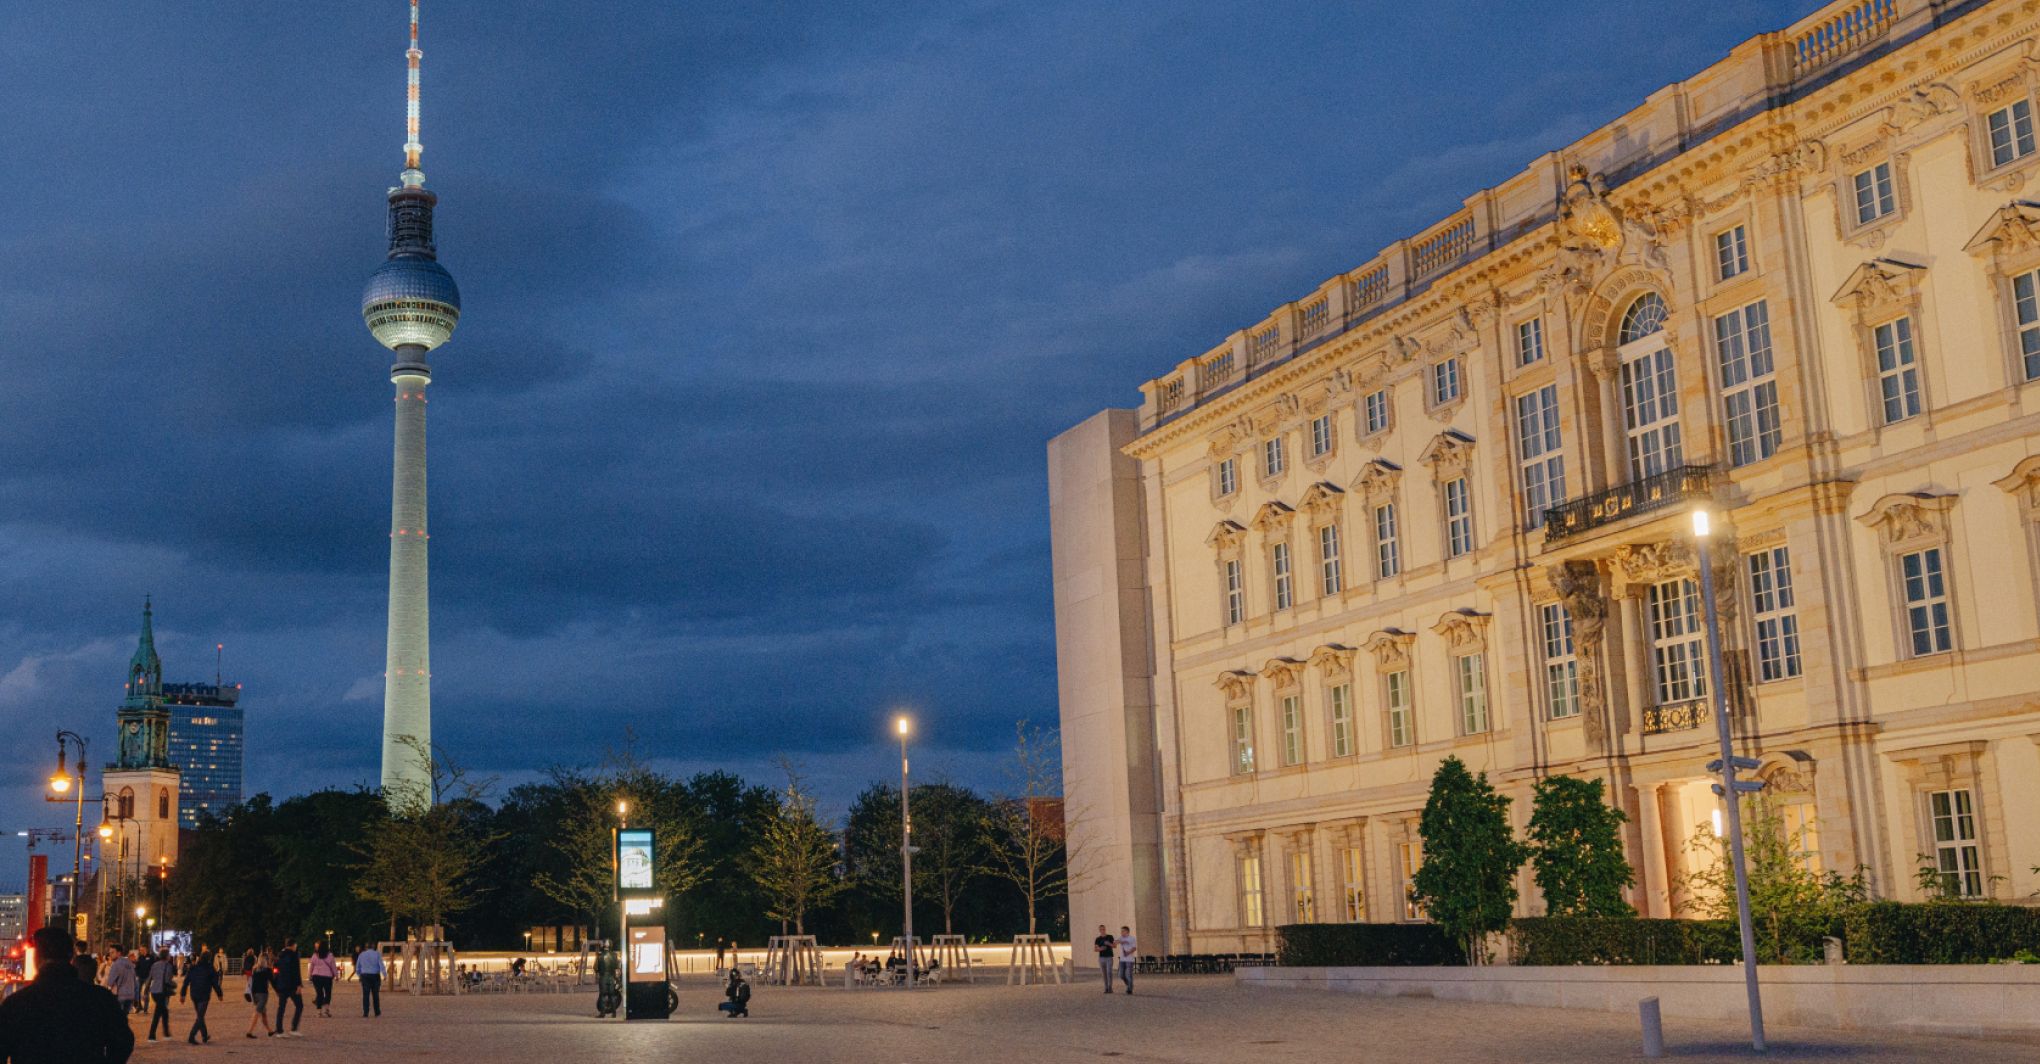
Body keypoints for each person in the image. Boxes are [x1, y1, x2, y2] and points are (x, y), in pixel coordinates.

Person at [0, 926, 136, 1063]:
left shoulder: (16, 1004)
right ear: (71, 955)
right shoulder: (100, 999)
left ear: (36, 958)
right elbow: (123, 1041)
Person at [182, 946, 223, 1044]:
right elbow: (215, 983)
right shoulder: (210, 969)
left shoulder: (194, 967)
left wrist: (183, 994)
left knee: (200, 1016)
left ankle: (204, 1036)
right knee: (200, 1016)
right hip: (204, 995)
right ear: (209, 958)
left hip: (194, 994)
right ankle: (191, 1037)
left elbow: (186, 981)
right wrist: (219, 994)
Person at [270, 939, 303, 1036]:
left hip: (281, 985)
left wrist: (276, 986)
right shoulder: (294, 955)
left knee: (281, 1008)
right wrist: (299, 985)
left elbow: (275, 971)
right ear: (293, 945)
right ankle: (294, 1028)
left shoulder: (280, 955)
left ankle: (279, 1030)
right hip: (292, 985)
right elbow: (296, 971)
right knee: (299, 1005)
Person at [145, 945, 177, 1041]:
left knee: (164, 1012)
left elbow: (149, 979)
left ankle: (166, 1034)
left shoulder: (154, 965)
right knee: (158, 1013)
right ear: (167, 956)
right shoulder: (168, 966)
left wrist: (145, 991)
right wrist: (174, 985)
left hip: (154, 992)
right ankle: (151, 1035)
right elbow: (168, 980)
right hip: (162, 992)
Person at [243, 949, 273, 1039]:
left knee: (264, 1013)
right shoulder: (267, 970)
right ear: (266, 960)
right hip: (263, 994)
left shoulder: (254, 969)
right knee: (257, 1012)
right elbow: (273, 981)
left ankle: (269, 1031)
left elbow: (253, 982)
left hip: (255, 993)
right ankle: (249, 1031)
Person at [308, 942, 338, 1017]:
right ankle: (326, 1010)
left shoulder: (315, 955)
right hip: (327, 977)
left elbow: (311, 966)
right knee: (328, 993)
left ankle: (319, 1012)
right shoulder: (330, 955)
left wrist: (310, 976)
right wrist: (336, 975)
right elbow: (333, 966)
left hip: (316, 976)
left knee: (319, 994)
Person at [354, 942, 384, 1018]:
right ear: (373, 946)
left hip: (365, 976)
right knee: (375, 995)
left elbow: (358, 967)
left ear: (366, 947)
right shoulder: (377, 954)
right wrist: (385, 974)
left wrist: (359, 975)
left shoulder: (361, 955)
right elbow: (381, 965)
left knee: (366, 995)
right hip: (375, 976)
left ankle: (366, 1012)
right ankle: (377, 1012)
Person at [105, 948, 138, 1015]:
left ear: (119, 953)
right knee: (124, 1017)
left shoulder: (116, 964)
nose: (110, 955)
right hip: (130, 995)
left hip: (120, 995)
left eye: (112, 952)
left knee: (117, 1017)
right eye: (110, 953)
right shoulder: (130, 963)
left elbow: (110, 982)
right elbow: (135, 981)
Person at [1092, 925, 1117, 993]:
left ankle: (1110, 987)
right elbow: (1095, 949)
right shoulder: (1098, 939)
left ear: (1105, 929)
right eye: (1101, 929)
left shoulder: (1110, 937)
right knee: (1104, 974)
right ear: (1099, 930)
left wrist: (1109, 944)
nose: (1102, 931)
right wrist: (1101, 949)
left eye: (1103, 929)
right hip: (1101, 958)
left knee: (1109, 972)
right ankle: (1106, 988)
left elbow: (1115, 946)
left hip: (1109, 957)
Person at [1117, 926, 1138, 995]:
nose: (1121, 932)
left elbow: (1134, 948)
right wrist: (1119, 941)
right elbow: (1115, 942)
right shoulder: (1121, 938)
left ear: (1127, 931)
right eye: (1121, 931)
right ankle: (1129, 984)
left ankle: (1129, 989)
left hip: (1129, 960)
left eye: (1123, 931)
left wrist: (1128, 953)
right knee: (1121, 975)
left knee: (1129, 975)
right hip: (1122, 960)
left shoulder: (1132, 938)